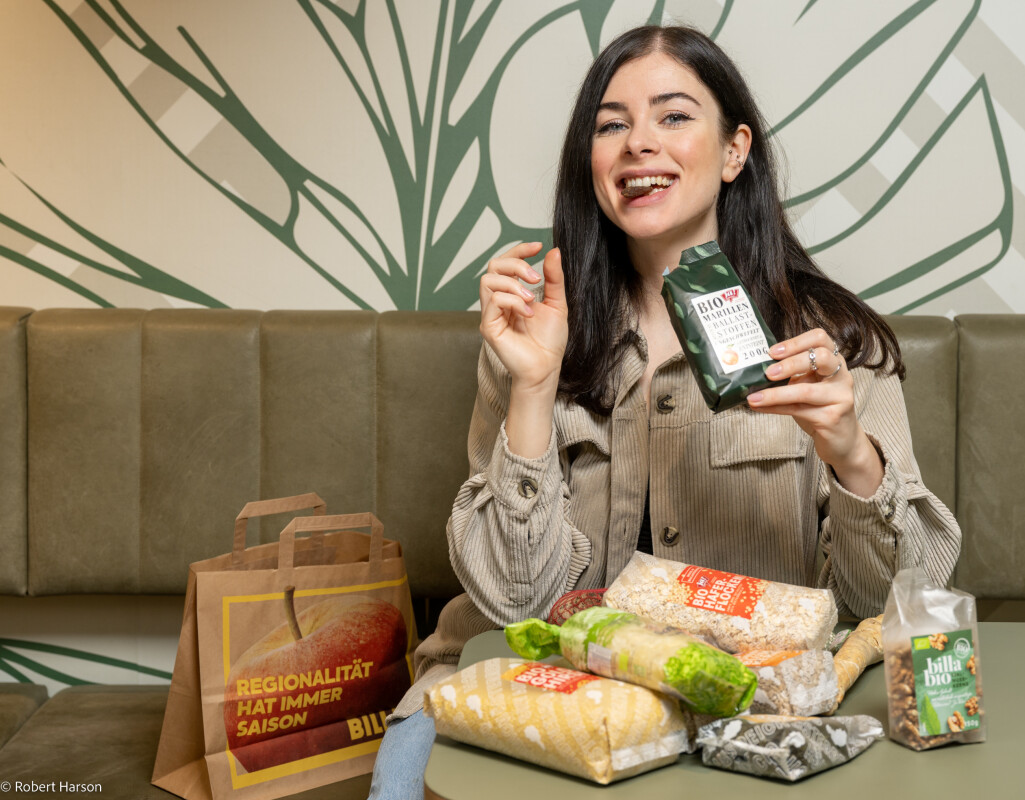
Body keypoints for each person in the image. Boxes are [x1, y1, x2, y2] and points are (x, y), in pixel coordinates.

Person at [368, 24, 960, 799]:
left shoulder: (830, 344)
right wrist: (534, 388)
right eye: (612, 125)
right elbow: (512, 601)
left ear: (734, 150)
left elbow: (898, 609)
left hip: (734, 719)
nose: (638, 143)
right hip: (521, 690)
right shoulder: (534, 335)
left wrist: (851, 454)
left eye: (674, 117)